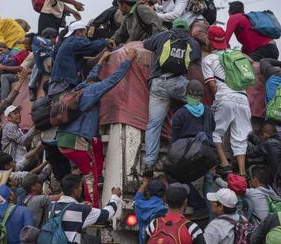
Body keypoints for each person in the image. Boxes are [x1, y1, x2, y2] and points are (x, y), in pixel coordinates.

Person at [57, 49, 135, 207]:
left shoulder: (79, 88)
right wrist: (128, 60)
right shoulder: (92, 91)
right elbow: (113, 80)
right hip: (76, 140)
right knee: (90, 176)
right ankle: (93, 209)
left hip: (63, 139)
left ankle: (78, 200)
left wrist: (100, 61)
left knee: (85, 170)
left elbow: (92, 75)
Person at [143, 18, 201, 172]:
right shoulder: (193, 42)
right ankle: (192, 151)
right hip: (178, 84)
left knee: (154, 125)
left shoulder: (163, 36)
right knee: (198, 108)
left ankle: (149, 163)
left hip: (158, 84)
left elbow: (146, 44)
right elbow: (195, 59)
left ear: (173, 27)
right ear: (187, 29)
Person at [202, 26, 252, 176]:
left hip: (225, 97)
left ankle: (224, 164)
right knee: (240, 137)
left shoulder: (208, 59)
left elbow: (211, 84)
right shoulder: (237, 54)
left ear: (209, 41)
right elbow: (250, 61)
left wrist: (220, 97)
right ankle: (242, 173)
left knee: (215, 132)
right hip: (243, 99)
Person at [50, 174, 122, 243]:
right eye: (80, 187)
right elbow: (107, 214)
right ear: (75, 191)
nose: (81, 190)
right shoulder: (80, 210)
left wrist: (79, 205)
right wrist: (115, 197)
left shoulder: (51, 206)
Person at [48, 21, 114, 97]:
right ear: (78, 32)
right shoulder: (73, 41)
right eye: (84, 33)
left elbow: (87, 57)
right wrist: (105, 42)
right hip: (63, 85)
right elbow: (91, 46)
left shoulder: (67, 43)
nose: (86, 37)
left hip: (58, 85)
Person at [134, 178, 167, 244]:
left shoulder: (139, 205)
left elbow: (137, 197)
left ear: (148, 192)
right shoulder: (164, 210)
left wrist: (145, 184)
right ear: (164, 194)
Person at [29, 27, 58, 101]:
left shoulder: (59, 43)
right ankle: (32, 87)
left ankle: (32, 86)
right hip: (49, 67)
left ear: (52, 37)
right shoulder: (43, 47)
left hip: (57, 66)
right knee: (38, 61)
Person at [247, 123, 281, 187]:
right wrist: (251, 136)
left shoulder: (269, 143)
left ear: (264, 134)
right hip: (277, 173)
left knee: (253, 168)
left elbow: (251, 153)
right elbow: (261, 144)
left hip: (277, 177)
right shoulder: (276, 139)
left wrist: (244, 141)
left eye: (260, 136)